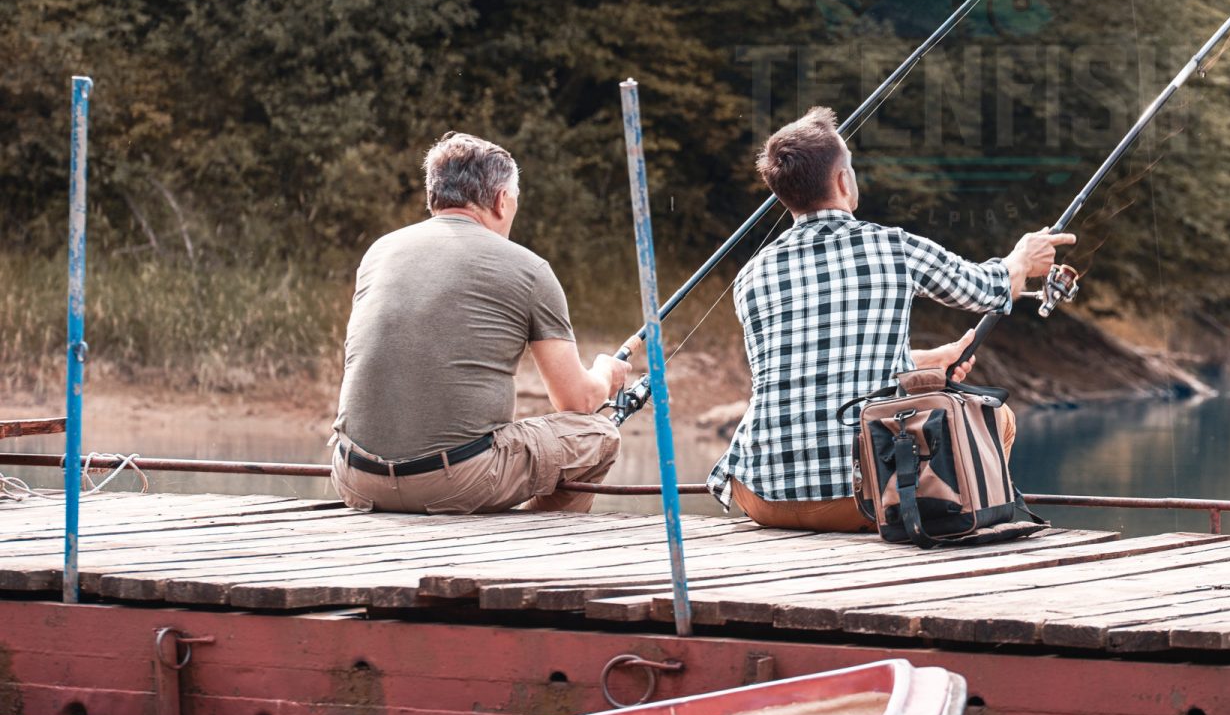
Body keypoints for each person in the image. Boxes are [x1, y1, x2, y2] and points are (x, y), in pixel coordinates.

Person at [707, 107, 1074, 532]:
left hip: (762, 496)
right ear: (844, 181)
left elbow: (813, 364)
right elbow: (989, 288)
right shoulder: (892, 248)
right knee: (997, 417)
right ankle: (956, 518)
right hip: (860, 499)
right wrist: (1023, 258)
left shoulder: (750, 275)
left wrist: (928, 360)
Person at [330, 132, 631, 514]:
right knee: (599, 435)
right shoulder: (530, 269)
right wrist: (606, 371)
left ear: (434, 195)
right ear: (501, 200)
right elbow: (577, 401)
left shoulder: (380, 252)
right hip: (456, 482)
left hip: (355, 478)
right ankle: (539, 544)